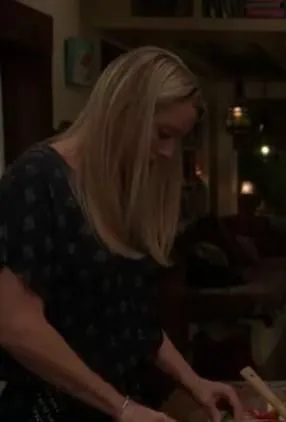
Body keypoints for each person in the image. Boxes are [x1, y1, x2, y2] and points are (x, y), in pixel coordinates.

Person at [0, 47, 245, 421]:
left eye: (177, 139)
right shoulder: (36, 180)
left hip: (113, 406)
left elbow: (131, 319)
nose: (169, 153)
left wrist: (193, 382)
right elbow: (16, 325)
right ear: (125, 111)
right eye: (163, 134)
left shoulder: (117, 188)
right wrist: (123, 408)